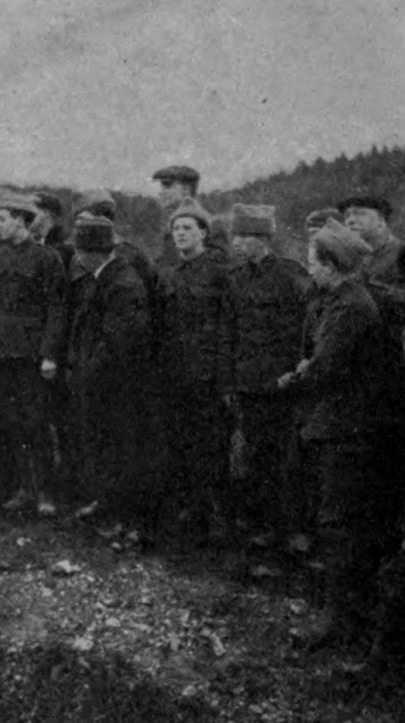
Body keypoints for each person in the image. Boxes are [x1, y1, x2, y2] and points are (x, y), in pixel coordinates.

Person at [276, 219, 400, 651]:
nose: (309, 268)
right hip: (338, 427)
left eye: (313, 261)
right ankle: (345, 615)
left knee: (339, 526)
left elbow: (324, 366)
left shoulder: (350, 306)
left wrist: (292, 379)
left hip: (347, 432)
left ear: (331, 264)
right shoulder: (338, 300)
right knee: (338, 524)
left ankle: (340, 620)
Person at [226, 204, 311, 534]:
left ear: (260, 239)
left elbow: (305, 329)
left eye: (242, 237)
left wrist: (293, 373)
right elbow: (229, 332)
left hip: (281, 384)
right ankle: (260, 528)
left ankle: (287, 531)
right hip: (247, 383)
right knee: (252, 458)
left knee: (283, 461)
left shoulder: (291, 275)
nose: (236, 244)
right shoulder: (236, 279)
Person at [66, 217, 155, 523]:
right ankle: (107, 503)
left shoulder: (121, 284)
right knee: (106, 446)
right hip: (104, 379)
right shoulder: (108, 279)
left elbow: (118, 341)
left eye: (80, 250)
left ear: (89, 253)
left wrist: (89, 372)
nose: (77, 257)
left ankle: (121, 513)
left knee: (118, 447)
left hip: (116, 384)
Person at [0, 194, 65, 516]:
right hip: (1, 353)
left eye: (3, 219)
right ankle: (24, 488)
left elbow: (56, 309)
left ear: (21, 220)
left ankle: (46, 492)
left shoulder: (47, 258)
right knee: (12, 422)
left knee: (37, 422)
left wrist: (49, 354)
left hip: (32, 356)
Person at [157, 198, 233, 541]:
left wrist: (222, 375)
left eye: (188, 228)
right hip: (176, 373)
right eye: (176, 229)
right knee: (182, 443)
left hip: (208, 375)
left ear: (204, 232)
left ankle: (216, 517)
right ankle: (190, 512)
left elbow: (229, 326)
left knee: (212, 447)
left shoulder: (221, 271)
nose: (181, 234)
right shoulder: (171, 274)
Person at [152, 165, 229, 266]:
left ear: (185, 189)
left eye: (167, 185)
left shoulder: (212, 225)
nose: (161, 193)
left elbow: (220, 265)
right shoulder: (170, 231)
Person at [337, 196, 402, 285]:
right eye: (347, 216)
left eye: (360, 213)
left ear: (381, 221)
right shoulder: (345, 260)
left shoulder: (400, 253)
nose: (350, 221)